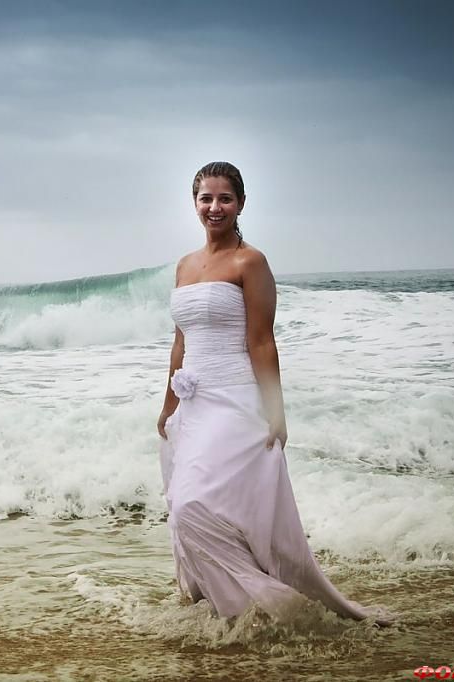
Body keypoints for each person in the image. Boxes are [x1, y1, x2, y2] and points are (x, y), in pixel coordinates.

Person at [157, 161, 391, 625]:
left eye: (224, 198)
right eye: (206, 198)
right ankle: (233, 609)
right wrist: (167, 407)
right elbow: (181, 342)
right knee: (192, 508)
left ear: (241, 203)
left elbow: (262, 341)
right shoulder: (184, 266)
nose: (215, 207)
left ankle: (262, 604)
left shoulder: (251, 262)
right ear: (194, 204)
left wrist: (275, 412)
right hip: (194, 403)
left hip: (236, 399)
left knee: (190, 506)